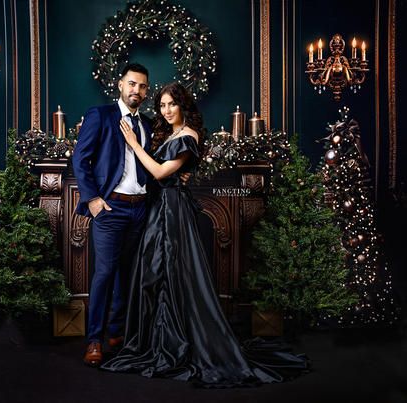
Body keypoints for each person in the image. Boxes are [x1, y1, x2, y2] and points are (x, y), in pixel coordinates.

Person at [101, 82, 309, 387]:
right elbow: (157, 173)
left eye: (172, 104)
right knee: (158, 276)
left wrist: (133, 144)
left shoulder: (189, 136)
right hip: (161, 208)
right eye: (161, 105)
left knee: (172, 273)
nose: (166, 110)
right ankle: (160, 340)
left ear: (184, 105)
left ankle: (178, 343)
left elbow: (159, 173)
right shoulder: (172, 134)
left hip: (173, 211)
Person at [72, 63, 153, 366]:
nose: (137, 91)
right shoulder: (101, 115)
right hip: (111, 208)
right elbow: (81, 159)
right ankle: (95, 339)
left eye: (143, 86)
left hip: (140, 207)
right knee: (105, 273)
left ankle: (117, 332)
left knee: (127, 273)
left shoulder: (146, 124)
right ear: (120, 85)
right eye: (132, 84)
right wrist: (92, 199)